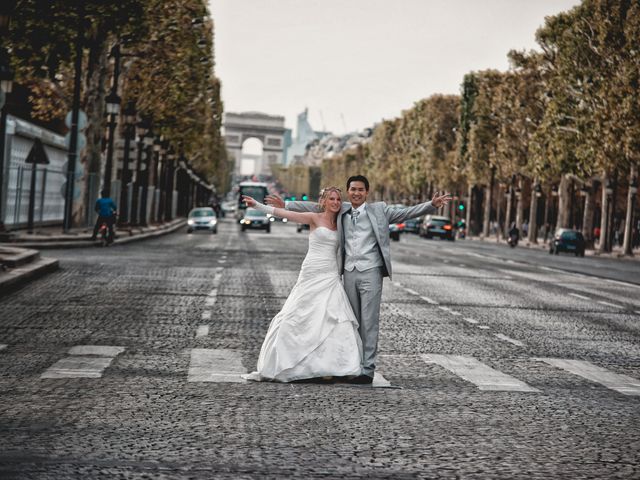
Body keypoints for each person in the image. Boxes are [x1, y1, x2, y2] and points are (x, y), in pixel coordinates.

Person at [267, 175, 451, 383]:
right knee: (351, 322)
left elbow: (405, 213)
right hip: (349, 272)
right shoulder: (342, 209)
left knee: (369, 322)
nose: (356, 193)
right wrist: (288, 204)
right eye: (353, 189)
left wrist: (431, 205)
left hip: (371, 271)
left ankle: (367, 369)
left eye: (360, 190)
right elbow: (316, 205)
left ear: (366, 192)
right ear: (349, 192)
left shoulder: (380, 210)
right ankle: (351, 365)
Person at [242, 187, 363, 383]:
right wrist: (257, 205)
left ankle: (330, 365)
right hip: (312, 271)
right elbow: (285, 214)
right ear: (323, 202)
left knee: (333, 317)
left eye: (338, 199)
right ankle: (294, 362)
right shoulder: (314, 218)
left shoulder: (343, 222)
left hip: (330, 274)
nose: (335, 202)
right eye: (331, 199)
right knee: (298, 314)